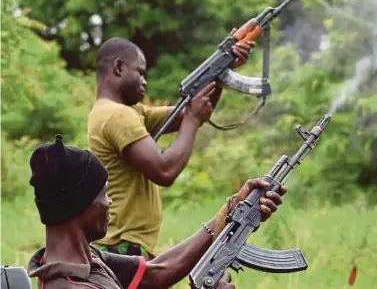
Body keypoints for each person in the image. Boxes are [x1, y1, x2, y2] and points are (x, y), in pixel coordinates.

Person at [27, 135, 286, 289]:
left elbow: (157, 271)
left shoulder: (86, 260)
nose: (109, 203)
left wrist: (230, 213)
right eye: (103, 194)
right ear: (79, 204)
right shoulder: (71, 285)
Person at [87, 35, 255, 259]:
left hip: (124, 245)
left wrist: (221, 71)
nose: (145, 81)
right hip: (122, 246)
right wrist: (193, 120)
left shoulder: (127, 112)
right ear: (118, 67)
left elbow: (190, 113)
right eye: (140, 72)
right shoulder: (116, 115)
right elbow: (164, 170)